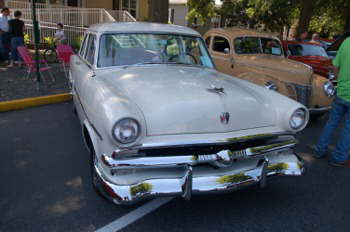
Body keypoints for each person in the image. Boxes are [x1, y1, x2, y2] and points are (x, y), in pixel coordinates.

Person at [315, 38, 350, 167]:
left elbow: (335, 66)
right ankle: (339, 158)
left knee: (332, 123)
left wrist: (340, 81)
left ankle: (319, 150)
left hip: (341, 91)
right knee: (348, 129)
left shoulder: (347, 42)